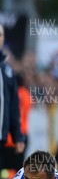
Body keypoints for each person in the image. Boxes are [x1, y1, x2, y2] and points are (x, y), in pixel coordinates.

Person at [0, 24, 24, 169]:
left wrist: (18, 136)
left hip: (1, 137)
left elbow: (13, 107)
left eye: (1, 35)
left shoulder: (7, 71)